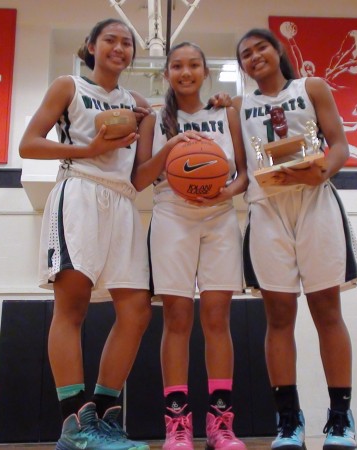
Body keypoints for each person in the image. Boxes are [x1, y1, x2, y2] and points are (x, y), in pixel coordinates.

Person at [19, 18, 154, 450]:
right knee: (72, 307)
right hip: (78, 190)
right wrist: (89, 149)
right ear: (91, 46)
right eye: (110, 40)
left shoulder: (138, 103)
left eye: (127, 42)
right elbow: (29, 144)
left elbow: (136, 177)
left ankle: (104, 416)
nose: (119, 47)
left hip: (122, 202)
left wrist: (171, 145)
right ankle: (74, 424)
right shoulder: (68, 87)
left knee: (136, 311)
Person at [233, 29, 357, 450]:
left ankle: (341, 419)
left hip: (314, 203)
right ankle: (288, 421)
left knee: (328, 310)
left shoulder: (312, 87)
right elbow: (241, 169)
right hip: (266, 209)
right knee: (278, 317)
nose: (254, 57)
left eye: (260, 48)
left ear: (278, 51)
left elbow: (340, 144)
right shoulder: (238, 106)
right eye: (245, 55)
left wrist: (323, 170)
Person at [132, 42, 248, 450]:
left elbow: (245, 175)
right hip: (171, 214)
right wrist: (172, 146)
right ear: (166, 73)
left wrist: (226, 193)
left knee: (217, 319)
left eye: (193, 65)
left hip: (219, 215)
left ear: (205, 70)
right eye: (177, 66)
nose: (185, 72)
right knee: (177, 320)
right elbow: (140, 179)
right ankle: (177, 426)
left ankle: (221, 425)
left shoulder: (226, 112)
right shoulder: (153, 119)